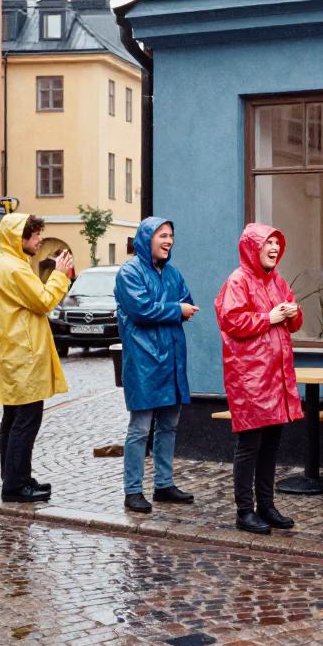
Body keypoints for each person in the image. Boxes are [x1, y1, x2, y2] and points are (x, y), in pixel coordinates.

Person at [215, 224, 302, 535]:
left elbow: (291, 323)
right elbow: (231, 320)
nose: (275, 248)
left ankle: (266, 505)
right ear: (253, 248)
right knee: (250, 445)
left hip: (275, 378)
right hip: (250, 379)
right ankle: (244, 511)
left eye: (278, 243)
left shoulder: (276, 281)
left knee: (271, 445)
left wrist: (292, 312)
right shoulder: (238, 281)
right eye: (269, 243)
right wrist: (270, 318)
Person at [0, 214, 73, 503]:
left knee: (12, 419)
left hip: (14, 354)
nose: (39, 240)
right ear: (19, 238)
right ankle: (15, 485)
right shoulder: (15, 269)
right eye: (35, 236)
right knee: (26, 420)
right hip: (23, 356)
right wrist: (60, 274)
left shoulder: (5, 266)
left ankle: (15, 477)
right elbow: (44, 301)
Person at [115, 217, 198, 514]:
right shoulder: (129, 273)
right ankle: (132, 490)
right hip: (144, 362)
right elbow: (141, 310)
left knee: (169, 426)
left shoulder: (173, 274)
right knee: (139, 428)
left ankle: (163, 484)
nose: (168, 240)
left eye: (171, 235)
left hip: (172, 360)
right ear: (147, 238)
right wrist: (176, 309)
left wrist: (177, 309)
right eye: (162, 235)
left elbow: (186, 301)